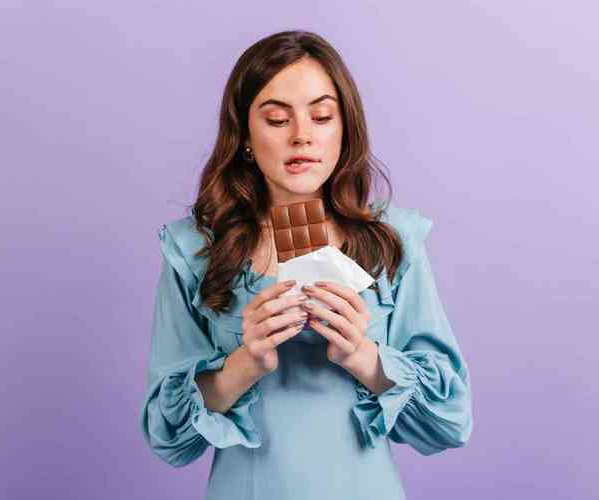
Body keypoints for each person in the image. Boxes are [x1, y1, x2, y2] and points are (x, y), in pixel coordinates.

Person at [139, 30, 473, 500]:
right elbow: (168, 439)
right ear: (246, 136)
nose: (302, 136)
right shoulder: (194, 249)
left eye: (321, 116)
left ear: (345, 129)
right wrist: (245, 363)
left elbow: (450, 423)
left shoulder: (394, 242)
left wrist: (361, 355)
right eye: (277, 119)